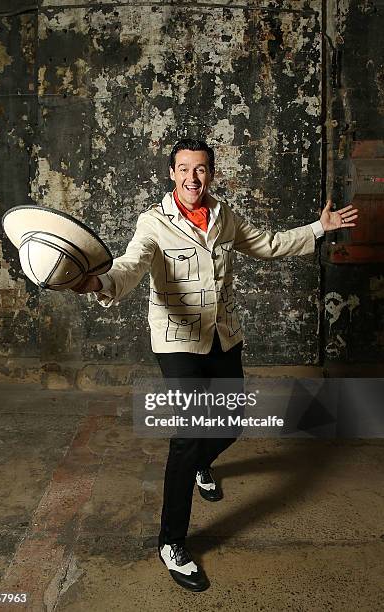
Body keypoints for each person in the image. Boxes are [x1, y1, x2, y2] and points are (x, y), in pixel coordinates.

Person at [72, 138, 358, 592]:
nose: (192, 178)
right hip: (177, 341)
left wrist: (318, 229)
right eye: (183, 169)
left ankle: (201, 465)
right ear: (171, 173)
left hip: (221, 335)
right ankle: (172, 542)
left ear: (211, 174)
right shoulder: (153, 223)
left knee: (229, 423)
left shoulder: (224, 216)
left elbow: (269, 244)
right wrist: (100, 282)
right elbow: (130, 265)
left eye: (201, 169)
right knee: (188, 436)